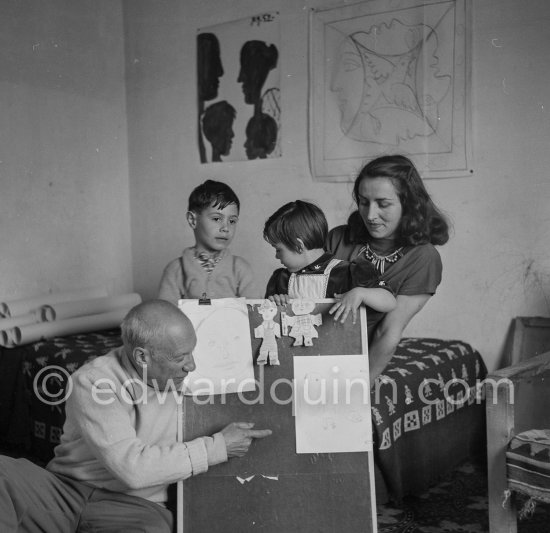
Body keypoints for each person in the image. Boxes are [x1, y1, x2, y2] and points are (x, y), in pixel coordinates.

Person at [0, 300, 272, 532]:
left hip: (137, 507)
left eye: (192, 352)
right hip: (65, 492)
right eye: (181, 357)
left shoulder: (194, 375)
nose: (192, 365)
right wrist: (218, 447)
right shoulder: (94, 381)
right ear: (142, 357)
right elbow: (132, 469)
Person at [326, 154, 450, 385]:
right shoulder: (337, 238)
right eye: (364, 202)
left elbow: (388, 331)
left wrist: (361, 385)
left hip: (365, 358)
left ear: (409, 205)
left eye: (383, 204)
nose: (370, 215)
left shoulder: (424, 258)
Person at [263, 200, 396, 337]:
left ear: (298, 246)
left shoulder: (348, 273)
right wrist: (276, 303)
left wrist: (361, 293)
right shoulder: (281, 280)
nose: (276, 256)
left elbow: (390, 302)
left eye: (278, 250)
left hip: (341, 354)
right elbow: (266, 318)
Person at [158, 180, 258, 303]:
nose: (226, 228)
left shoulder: (240, 268)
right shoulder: (175, 270)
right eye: (216, 219)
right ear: (192, 220)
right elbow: (165, 315)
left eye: (232, 221)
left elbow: (254, 313)